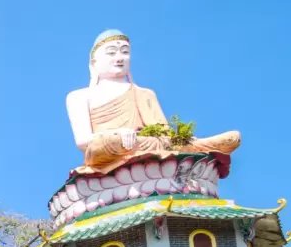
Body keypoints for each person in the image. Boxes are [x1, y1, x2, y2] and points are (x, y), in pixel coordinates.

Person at [65, 30, 241, 175]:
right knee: (105, 145)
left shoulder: (144, 94)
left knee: (167, 143)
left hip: (146, 144)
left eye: (125, 52)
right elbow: (82, 140)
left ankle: (197, 146)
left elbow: (163, 134)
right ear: (94, 62)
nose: (119, 57)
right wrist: (120, 134)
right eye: (111, 52)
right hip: (110, 148)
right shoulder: (79, 96)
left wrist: (180, 139)